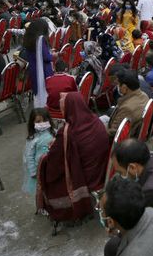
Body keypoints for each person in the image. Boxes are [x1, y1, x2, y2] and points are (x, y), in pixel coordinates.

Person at [38, 93, 110, 221]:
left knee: (44, 164)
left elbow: (54, 163)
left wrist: (46, 157)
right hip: (104, 170)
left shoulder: (67, 132)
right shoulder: (95, 120)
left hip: (87, 177)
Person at [105, 69, 150, 138]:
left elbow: (113, 132)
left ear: (124, 87)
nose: (117, 86)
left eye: (118, 84)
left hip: (121, 140)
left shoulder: (127, 108)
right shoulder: (144, 95)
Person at [22, 108, 54, 198]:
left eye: (45, 120)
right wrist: (33, 172)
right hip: (39, 169)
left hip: (52, 167)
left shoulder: (53, 132)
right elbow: (29, 156)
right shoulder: (32, 139)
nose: (42, 123)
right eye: (38, 121)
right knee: (42, 190)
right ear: (33, 123)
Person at [21, 18, 53, 108]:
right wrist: (54, 56)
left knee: (38, 92)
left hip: (33, 68)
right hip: (44, 69)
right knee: (45, 92)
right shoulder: (40, 39)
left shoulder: (28, 38)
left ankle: (39, 110)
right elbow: (46, 57)